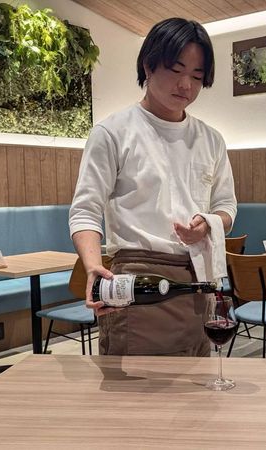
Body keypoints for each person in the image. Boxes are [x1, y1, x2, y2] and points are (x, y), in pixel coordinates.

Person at [69, 18, 237, 356]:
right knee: (138, 385)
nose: (186, 85)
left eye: (197, 76)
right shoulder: (113, 133)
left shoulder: (211, 140)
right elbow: (85, 210)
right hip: (137, 283)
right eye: (176, 70)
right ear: (148, 65)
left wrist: (208, 224)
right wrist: (92, 267)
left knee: (195, 382)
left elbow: (227, 207)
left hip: (196, 282)